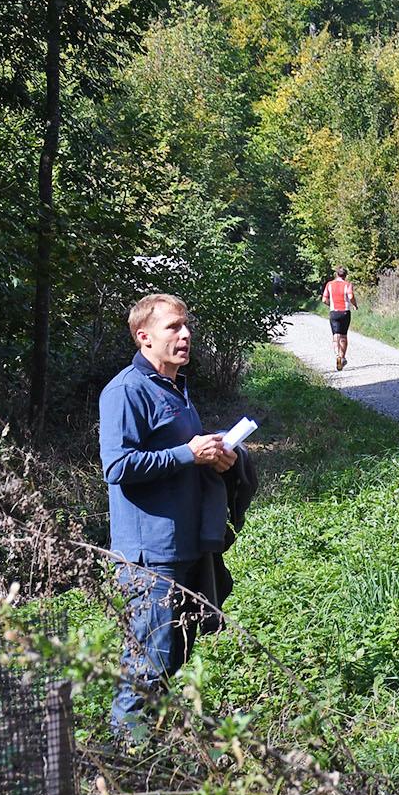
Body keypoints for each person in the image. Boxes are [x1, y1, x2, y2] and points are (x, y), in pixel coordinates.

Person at [100, 293, 243, 736]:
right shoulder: (126, 391)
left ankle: (153, 747)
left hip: (184, 547)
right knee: (147, 663)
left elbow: (185, 456)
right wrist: (186, 454)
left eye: (186, 326)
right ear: (143, 337)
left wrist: (220, 457)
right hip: (149, 557)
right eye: (173, 328)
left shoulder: (176, 387)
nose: (185, 335)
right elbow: (117, 467)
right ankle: (125, 758)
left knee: (173, 655)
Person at [322, 268, 356, 372]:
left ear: (336, 274)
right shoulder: (347, 284)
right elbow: (350, 296)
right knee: (343, 335)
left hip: (334, 312)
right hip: (345, 312)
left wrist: (330, 305)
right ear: (346, 275)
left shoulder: (329, 284)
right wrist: (355, 305)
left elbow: (324, 299)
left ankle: (337, 355)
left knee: (335, 335)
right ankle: (342, 357)